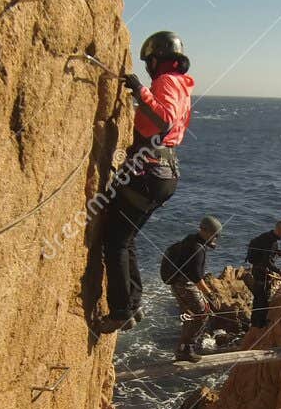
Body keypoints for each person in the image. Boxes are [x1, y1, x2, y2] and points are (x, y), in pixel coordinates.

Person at [95, 31, 196, 333]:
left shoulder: (164, 82)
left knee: (114, 242)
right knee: (126, 237)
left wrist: (140, 90)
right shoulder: (181, 85)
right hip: (163, 173)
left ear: (155, 60)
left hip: (147, 172)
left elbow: (163, 119)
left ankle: (121, 310)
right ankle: (133, 303)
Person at [160, 217, 221, 362]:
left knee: (190, 315)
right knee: (202, 315)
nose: (216, 238)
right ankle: (187, 349)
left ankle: (182, 349)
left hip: (177, 284)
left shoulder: (190, 240)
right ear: (204, 231)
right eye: (214, 234)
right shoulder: (197, 249)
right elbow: (197, 277)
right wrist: (210, 295)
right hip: (185, 285)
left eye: (217, 235)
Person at [245, 219, 281, 328]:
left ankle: (254, 321)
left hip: (256, 269)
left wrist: (276, 252)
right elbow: (267, 262)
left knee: (258, 296)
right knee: (263, 298)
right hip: (262, 272)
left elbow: (263, 251)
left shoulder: (266, 236)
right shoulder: (272, 242)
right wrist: (280, 272)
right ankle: (260, 323)